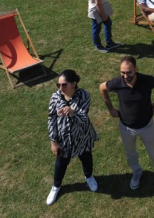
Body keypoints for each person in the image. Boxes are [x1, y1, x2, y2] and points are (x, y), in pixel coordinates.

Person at [99, 56, 154, 190]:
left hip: (146, 125)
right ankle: (137, 172)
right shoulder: (117, 83)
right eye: (123, 72)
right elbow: (102, 88)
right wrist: (110, 108)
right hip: (126, 128)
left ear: (136, 69)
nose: (125, 76)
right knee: (130, 153)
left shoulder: (147, 80)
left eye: (129, 72)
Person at [46, 69, 98, 206]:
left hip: (82, 136)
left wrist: (72, 112)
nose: (61, 88)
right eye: (59, 85)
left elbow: (83, 118)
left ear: (74, 83)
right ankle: (56, 186)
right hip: (64, 139)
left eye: (64, 85)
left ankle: (89, 177)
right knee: (61, 163)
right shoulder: (55, 97)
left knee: (86, 157)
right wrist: (53, 141)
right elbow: (51, 119)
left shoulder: (84, 96)